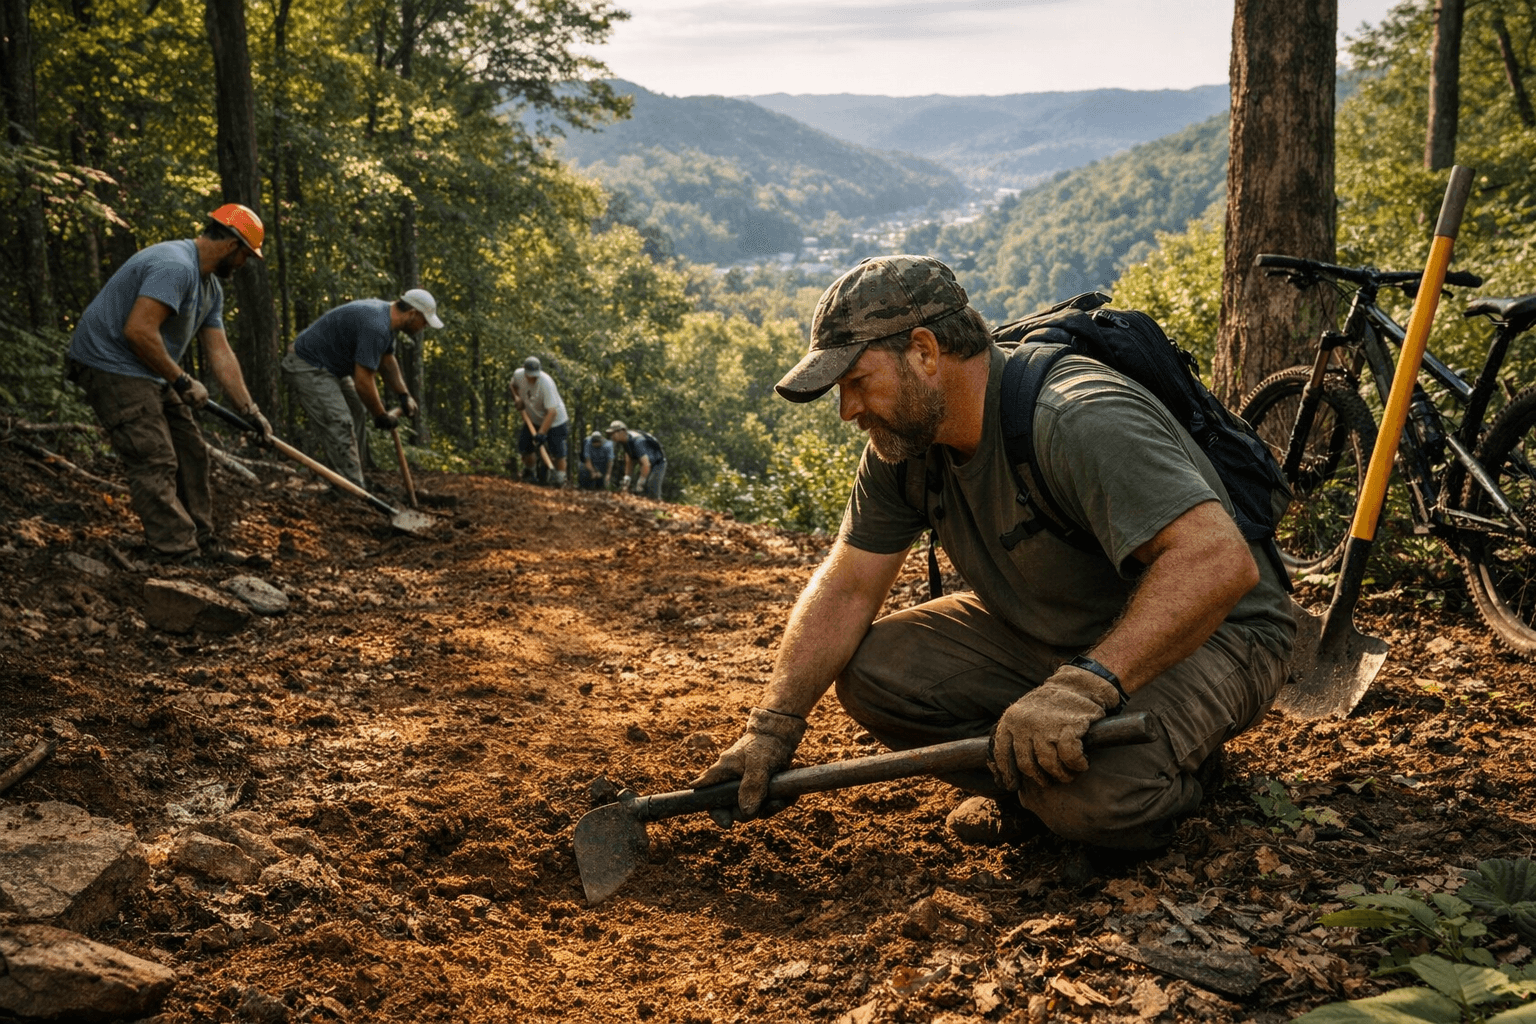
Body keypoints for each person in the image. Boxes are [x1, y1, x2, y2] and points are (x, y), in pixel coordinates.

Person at [691, 255, 1294, 866]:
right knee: (874, 670)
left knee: (1097, 800)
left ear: (924, 353)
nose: (848, 410)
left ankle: (1177, 779)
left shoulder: (1074, 414)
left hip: (1216, 633)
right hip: (1055, 630)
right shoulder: (904, 450)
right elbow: (848, 585)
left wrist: (1084, 687)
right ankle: (1040, 780)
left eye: (855, 382)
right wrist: (773, 726)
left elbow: (1218, 562)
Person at [65, 204, 274, 565]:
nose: (244, 266)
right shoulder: (174, 265)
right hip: (109, 363)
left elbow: (220, 352)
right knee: (154, 456)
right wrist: (180, 379)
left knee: (191, 451)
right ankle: (176, 552)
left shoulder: (210, 287)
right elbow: (138, 331)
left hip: (148, 369)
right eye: (246, 256)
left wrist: (249, 410)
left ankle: (202, 544)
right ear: (231, 245)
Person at [280, 290, 438, 490]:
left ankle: (353, 476)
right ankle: (351, 488)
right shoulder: (376, 325)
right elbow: (363, 382)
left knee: (357, 411)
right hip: (308, 365)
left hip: (332, 368)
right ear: (412, 313)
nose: (423, 327)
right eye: (424, 321)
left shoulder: (386, 322)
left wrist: (404, 395)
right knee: (340, 421)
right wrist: (380, 415)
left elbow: (387, 361)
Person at [510, 357, 569, 487]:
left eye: (535, 375)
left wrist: (541, 433)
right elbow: (512, 385)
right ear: (524, 371)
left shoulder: (546, 383)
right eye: (530, 375)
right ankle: (530, 473)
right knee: (526, 447)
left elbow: (552, 412)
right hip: (533, 419)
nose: (533, 378)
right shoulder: (518, 375)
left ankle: (559, 478)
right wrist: (517, 398)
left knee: (558, 451)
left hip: (556, 422)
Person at [607, 420, 666, 500]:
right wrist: (627, 479)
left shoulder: (638, 441)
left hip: (658, 462)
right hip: (645, 462)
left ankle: (659, 509)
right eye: (610, 434)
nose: (612, 436)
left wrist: (641, 481)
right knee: (638, 485)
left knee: (652, 486)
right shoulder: (625, 441)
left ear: (623, 431)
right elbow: (629, 460)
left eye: (614, 433)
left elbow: (646, 464)